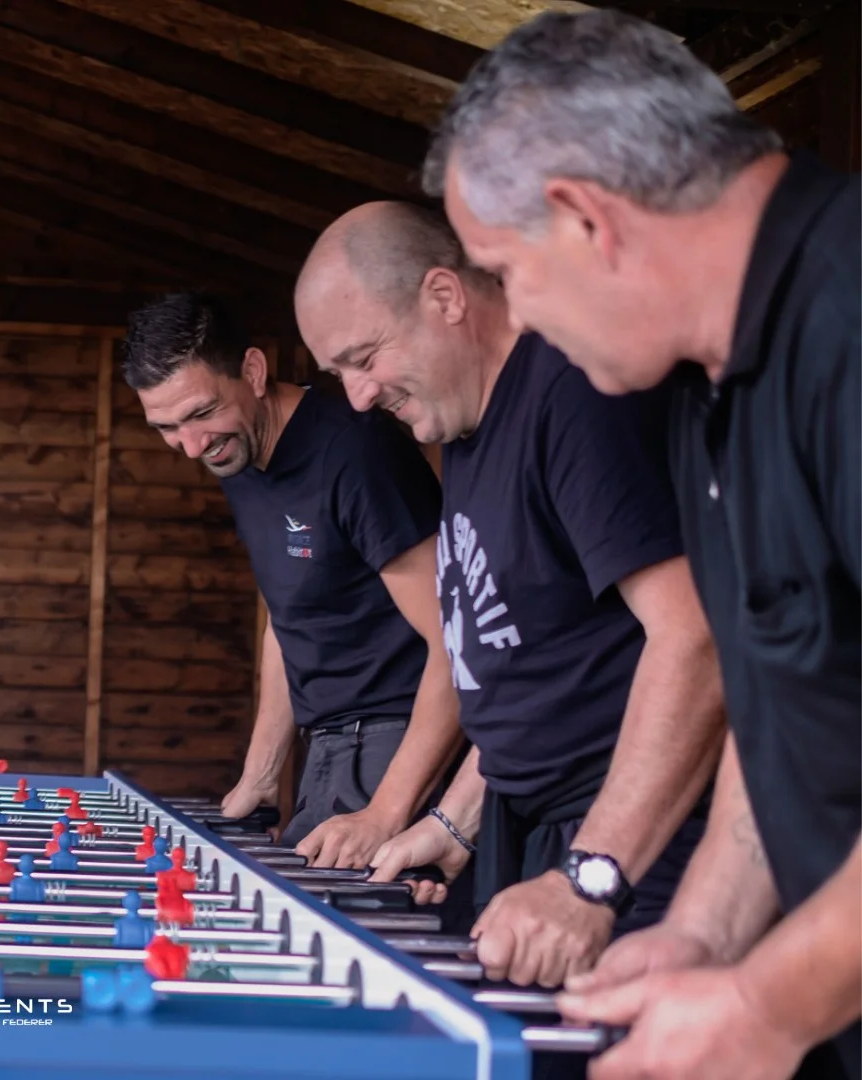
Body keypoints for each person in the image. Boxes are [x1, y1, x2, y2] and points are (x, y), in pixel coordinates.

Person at [424, 10, 860, 1080]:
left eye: (503, 271)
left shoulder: (848, 315)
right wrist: (703, 935)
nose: (514, 315)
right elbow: (784, 712)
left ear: (584, 218)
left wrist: (764, 1001)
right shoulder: (709, 386)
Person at [294, 204, 725, 1015]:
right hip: (530, 830)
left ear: (446, 297)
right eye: (336, 373)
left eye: (363, 358)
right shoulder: (462, 429)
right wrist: (452, 823)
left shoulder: (571, 396)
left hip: (640, 841)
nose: (355, 398)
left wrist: (592, 878)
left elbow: (695, 636)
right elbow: (527, 667)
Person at [122, 293, 463, 867]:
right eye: (166, 427)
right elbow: (289, 619)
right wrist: (260, 777)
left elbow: (456, 643)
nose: (190, 446)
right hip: (327, 748)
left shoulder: (356, 455)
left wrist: (387, 811)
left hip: (402, 744)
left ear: (253, 372)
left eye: (202, 414)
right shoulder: (237, 456)